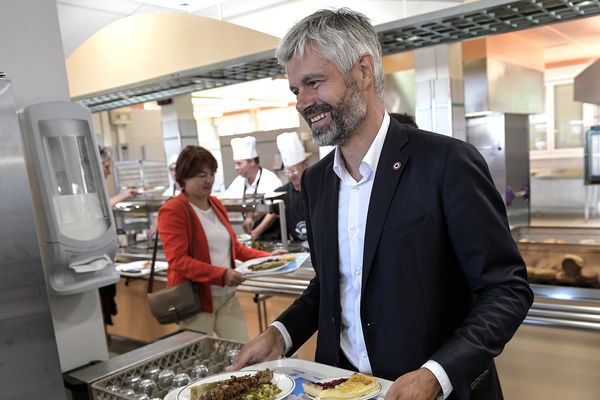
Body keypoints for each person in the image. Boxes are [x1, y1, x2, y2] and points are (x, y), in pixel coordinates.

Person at [228, 8, 533, 400]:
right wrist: (280, 333)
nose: (302, 103)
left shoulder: (447, 163)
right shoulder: (319, 181)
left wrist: (435, 374)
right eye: (295, 90)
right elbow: (331, 285)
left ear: (364, 71)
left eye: (314, 83)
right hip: (342, 387)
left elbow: (506, 290)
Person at [157, 145, 286, 341]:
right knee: (203, 360)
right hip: (195, 302)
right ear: (184, 177)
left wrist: (268, 258)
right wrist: (222, 274)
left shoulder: (215, 203)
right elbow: (179, 261)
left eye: (211, 173)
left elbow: (234, 247)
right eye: (201, 175)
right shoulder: (173, 210)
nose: (209, 180)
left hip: (227, 297)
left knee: (241, 351)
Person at [250, 131, 310, 242]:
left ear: (305, 165)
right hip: (299, 245)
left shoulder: (318, 188)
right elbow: (272, 212)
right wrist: (255, 231)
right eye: (287, 171)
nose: (291, 175)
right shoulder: (283, 193)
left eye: (294, 171)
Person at [222, 136, 283, 234]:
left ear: (252, 162)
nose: (236, 167)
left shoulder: (270, 180)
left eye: (239, 164)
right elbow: (226, 200)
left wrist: (256, 232)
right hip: (252, 231)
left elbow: (274, 212)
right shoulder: (238, 181)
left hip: (273, 234)